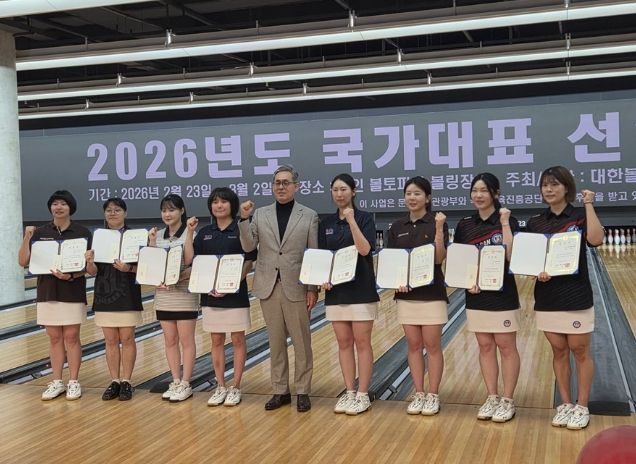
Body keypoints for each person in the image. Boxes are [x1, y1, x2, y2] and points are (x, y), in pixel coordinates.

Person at [525, 166, 603, 430]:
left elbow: (596, 240)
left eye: (555, 184)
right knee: (558, 350)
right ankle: (566, 404)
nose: (549, 189)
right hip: (547, 296)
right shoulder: (536, 222)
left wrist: (588, 204)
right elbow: (530, 259)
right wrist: (535, 271)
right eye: (545, 185)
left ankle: (582, 406)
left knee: (579, 350)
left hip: (576, 294)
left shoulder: (579, 216)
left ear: (566, 187)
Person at [238, 165, 319, 412]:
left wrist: (313, 288)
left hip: (297, 286)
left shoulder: (309, 215)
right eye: (277, 183)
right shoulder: (260, 214)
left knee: (302, 343)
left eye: (286, 182)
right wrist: (243, 219)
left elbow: (313, 254)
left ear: (296, 186)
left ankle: (302, 390)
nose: (281, 187)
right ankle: (280, 390)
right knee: (275, 342)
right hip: (268, 286)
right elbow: (249, 245)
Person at [453, 173, 521, 423]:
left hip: (503, 294)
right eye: (475, 190)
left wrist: (504, 223)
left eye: (484, 190)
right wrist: (466, 281)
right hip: (476, 295)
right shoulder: (465, 225)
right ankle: (492, 396)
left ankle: (508, 399)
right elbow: (460, 260)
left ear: (495, 193)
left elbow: (512, 256)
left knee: (506, 346)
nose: (478, 195)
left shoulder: (508, 220)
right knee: (485, 346)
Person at [184, 187, 256, 407]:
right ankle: (220, 386)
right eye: (215, 202)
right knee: (216, 340)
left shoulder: (240, 229)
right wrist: (189, 232)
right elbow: (190, 260)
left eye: (224, 201)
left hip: (235, 294)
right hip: (210, 294)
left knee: (237, 339)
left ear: (232, 205)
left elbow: (249, 259)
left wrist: (231, 285)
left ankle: (236, 386)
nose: (219, 205)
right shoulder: (205, 232)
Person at [18, 190, 92, 401]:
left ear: (71, 208)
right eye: (55, 204)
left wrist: (70, 275)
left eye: (63, 204)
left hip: (72, 289)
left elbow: (87, 267)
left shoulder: (82, 232)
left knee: (72, 336)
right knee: (54, 337)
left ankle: (74, 381)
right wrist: (27, 237)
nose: (58, 207)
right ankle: (57, 381)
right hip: (47, 291)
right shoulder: (40, 233)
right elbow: (23, 261)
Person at [386, 176, 448, 416]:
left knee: (432, 345)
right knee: (413, 345)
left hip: (432, 294)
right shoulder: (396, 227)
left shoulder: (436, 223)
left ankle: (433, 394)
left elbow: (438, 258)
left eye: (417, 193)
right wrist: (397, 282)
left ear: (428, 198)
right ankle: (419, 392)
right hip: (406, 296)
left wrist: (440, 228)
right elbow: (393, 263)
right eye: (409, 194)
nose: (412, 198)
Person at [319, 173, 379, 415]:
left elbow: (364, 249)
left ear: (353, 191)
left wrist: (351, 220)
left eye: (344, 189)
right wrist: (323, 278)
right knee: (344, 343)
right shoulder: (326, 224)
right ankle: (350, 391)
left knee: (362, 343)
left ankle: (363, 393)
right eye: (335, 189)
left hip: (362, 290)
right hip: (337, 292)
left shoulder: (365, 218)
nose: (339, 194)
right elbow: (323, 258)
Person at [85, 198, 143, 401]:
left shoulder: (136, 237)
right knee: (110, 340)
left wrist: (129, 268)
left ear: (125, 213)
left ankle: (127, 381)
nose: (112, 213)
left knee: (127, 338)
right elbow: (93, 271)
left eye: (117, 210)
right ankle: (115, 381)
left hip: (128, 292)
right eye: (109, 210)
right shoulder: (98, 238)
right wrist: (89, 262)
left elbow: (144, 266)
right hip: (105, 293)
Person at [148, 194, 199, 402]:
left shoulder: (190, 232)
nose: (167, 214)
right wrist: (152, 242)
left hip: (184, 294)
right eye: (164, 210)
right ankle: (176, 380)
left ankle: (186, 383)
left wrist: (190, 233)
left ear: (182, 211)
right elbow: (152, 264)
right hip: (164, 296)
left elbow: (189, 260)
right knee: (170, 340)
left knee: (186, 340)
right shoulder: (158, 234)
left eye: (172, 210)